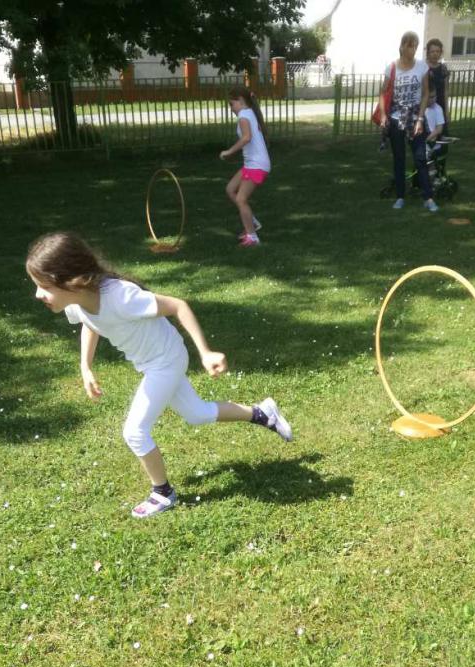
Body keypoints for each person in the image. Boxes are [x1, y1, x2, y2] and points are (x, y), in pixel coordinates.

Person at [26, 233, 292, 519]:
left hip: (166, 361)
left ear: (73, 280)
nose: (38, 294)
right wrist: (85, 367)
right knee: (197, 414)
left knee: (134, 431)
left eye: (44, 286)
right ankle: (263, 413)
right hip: (152, 362)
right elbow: (90, 323)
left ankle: (162, 493)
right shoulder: (79, 301)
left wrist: (205, 352)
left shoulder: (121, 296)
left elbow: (178, 305)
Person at [377, 31, 440, 212]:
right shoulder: (391, 68)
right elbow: (382, 92)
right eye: (409, 45)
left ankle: (428, 197)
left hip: (415, 118)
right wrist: (383, 115)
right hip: (396, 118)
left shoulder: (421, 67)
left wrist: (420, 118)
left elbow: (426, 93)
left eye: (415, 46)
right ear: (402, 46)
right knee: (399, 159)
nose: (412, 49)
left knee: (420, 157)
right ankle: (400, 196)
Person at [220, 86, 270, 247]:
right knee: (230, 189)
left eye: (231, 104)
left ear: (241, 101)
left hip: (257, 164)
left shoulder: (243, 115)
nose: (231, 108)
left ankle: (252, 237)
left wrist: (229, 151)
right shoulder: (249, 112)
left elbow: (247, 138)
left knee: (241, 199)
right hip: (252, 164)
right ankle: (252, 222)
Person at [425, 38, 450, 135]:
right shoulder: (423, 67)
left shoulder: (443, 69)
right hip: (427, 104)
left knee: (441, 132)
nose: (435, 54)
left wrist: (446, 111)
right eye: (432, 51)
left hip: (440, 102)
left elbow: (446, 90)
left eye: (438, 51)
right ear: (428, 52)